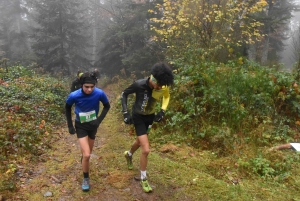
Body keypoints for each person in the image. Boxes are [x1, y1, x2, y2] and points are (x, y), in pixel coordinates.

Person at [120, 62, 174, 193]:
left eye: (162, 86)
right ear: (153, 79)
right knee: (146, 149)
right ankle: (143, 178)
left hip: (150, 118)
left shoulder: (162, 86)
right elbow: (124, 94)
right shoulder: (139, 85)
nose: (160, 88)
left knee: (140, 141)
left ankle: (129, 154)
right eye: (159, 85)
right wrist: (125, 112)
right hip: (138, 117)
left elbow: (166, 96)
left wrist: (162, 110)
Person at [65, 72, 110, 191]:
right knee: (87, 154)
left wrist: (99, 120)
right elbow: (67, 107)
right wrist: (70, 125)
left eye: (92, 87)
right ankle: (86, 178)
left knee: (87, 154)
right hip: (81, 126)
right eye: (86, 87)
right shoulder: (74, 95)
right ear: (81, 85)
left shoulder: (99, 93)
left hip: (93, 125)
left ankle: (84, 160)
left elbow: (107, 106)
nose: (89, 89)